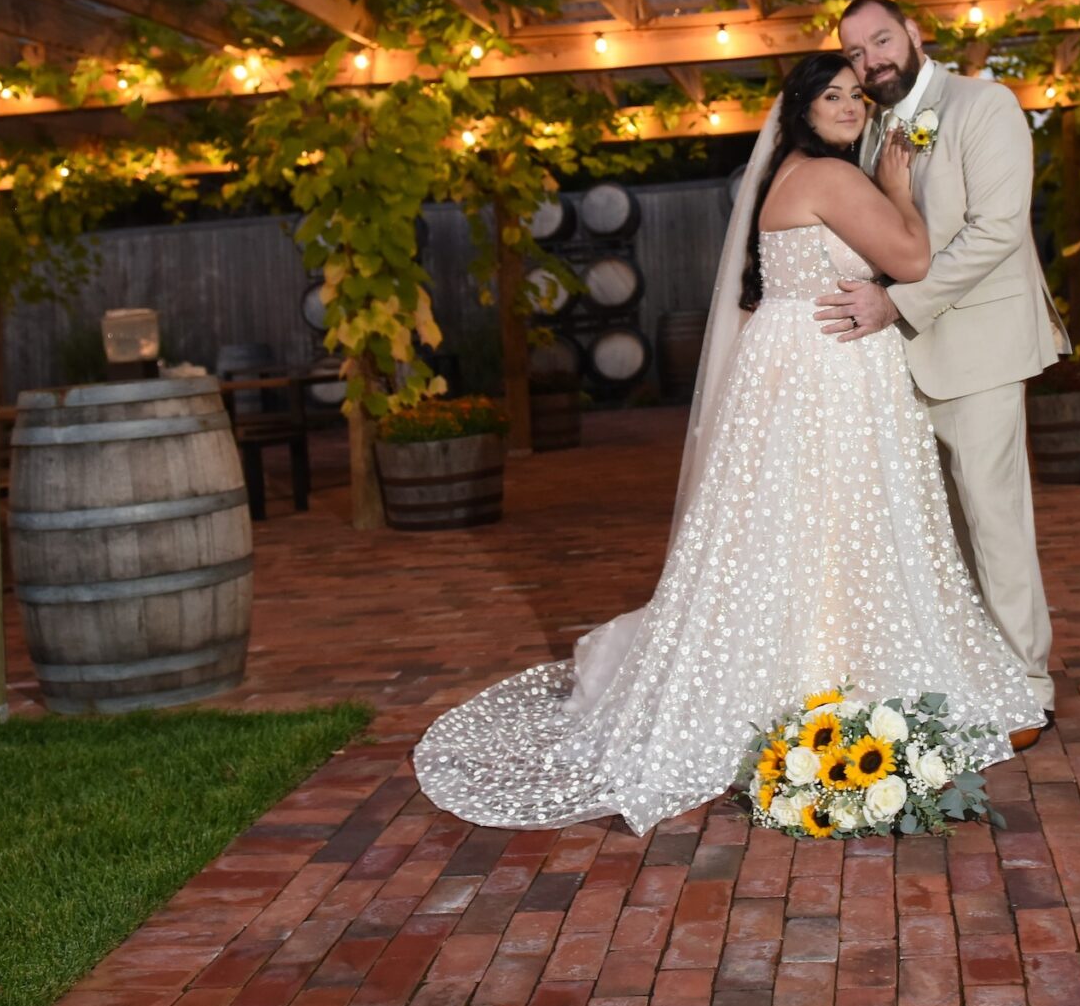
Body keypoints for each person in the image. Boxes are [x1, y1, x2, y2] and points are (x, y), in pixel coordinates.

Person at [412, 51, 1040, 835]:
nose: (850, 105)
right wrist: (904, 178)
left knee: (795, 532)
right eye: (833, 96)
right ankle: (835, 671)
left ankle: (813, 668)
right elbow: (910, 257)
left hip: (792, 370)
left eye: (857, 95)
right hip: (833, 374)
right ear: (803, 110)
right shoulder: (833, 178)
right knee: (845, 525)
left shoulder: (784, 177)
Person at [814, 0, 1070, 743]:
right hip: (897, 367)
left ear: (915, 35)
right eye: (856, 53)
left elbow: (996, 229)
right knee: (938, 531)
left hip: (981, 348)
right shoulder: (868, 131)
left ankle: (1028, 684)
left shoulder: (985, 105)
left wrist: (899, 305)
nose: (871, 61)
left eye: (883, 40)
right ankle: (967, 669)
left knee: (994, 521)